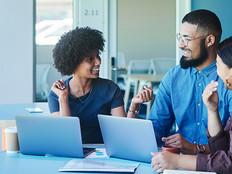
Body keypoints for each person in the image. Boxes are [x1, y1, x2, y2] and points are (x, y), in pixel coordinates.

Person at [48, 27, 153, 144]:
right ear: (74, 62)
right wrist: (63, 98)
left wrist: (134, 105)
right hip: (72, 151)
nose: (98, 62)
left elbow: (123, 133)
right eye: (90, 59)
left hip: (105, 152)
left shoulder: (110, 89)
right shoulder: (56, 94)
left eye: (98, 55)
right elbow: (65, 136)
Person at [148, 9, 232, 155]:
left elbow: (229, 148)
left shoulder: (228, 80)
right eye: (179, 38)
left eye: (186, 39)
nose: (180, 45)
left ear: (210, 40)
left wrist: (195, 148)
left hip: (217, 165)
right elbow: (156, 128)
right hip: (177, 161)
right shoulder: (173, 76)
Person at [151, 36, 232, 174]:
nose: (216, 73)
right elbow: (222, 151)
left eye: (217, 66)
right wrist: (212, 110)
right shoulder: (173, 76)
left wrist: (177, 161)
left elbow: (228, 162)